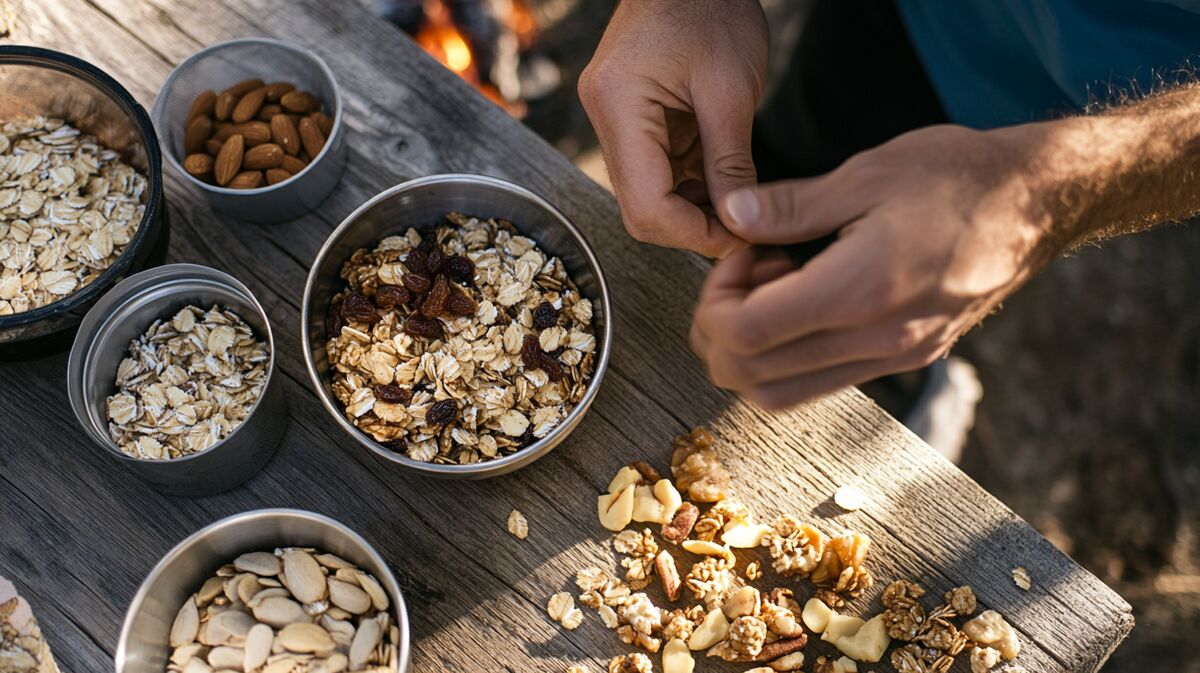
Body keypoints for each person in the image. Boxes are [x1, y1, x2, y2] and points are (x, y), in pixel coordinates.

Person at [578, 0, 1200, 410]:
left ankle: (900, 382)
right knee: (788, 160)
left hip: (1127, 101)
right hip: (914, 18)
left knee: (921, 281)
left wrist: (1047, 194)